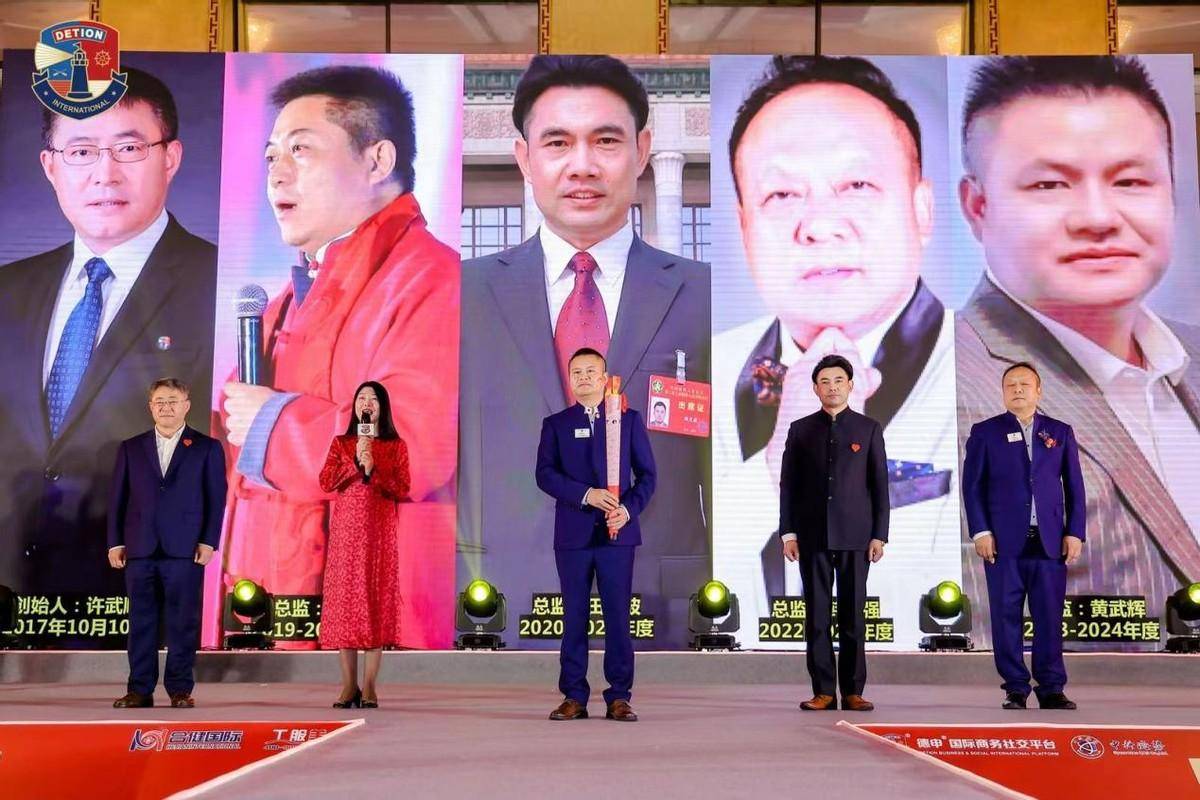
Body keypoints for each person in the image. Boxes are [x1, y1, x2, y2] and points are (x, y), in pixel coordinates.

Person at [459, 55, 710, 649]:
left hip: (658, 605)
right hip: (497, 604)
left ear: (642, 150)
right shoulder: (458, 295)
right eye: (557, 143)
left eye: (605, 141)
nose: (582, 165)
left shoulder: (703, 294)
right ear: (524, 158)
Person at [712, 56, 957, 645]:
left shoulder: (986, 365)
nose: (819, 225)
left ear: (922, 209)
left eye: (856, 185)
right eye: (781, 194)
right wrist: (771, 474)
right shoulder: (699, 368)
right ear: (744, 227)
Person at [955, 56, 1200, 646]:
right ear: (977, 207)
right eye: (1049, 185)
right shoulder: (949, 393)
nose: (1098, 217)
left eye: (1131, 181)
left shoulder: (1189, 351)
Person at [212, 65, 459, 649]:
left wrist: (273, 423)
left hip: (372, 629)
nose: (278, 172)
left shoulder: (435, 278)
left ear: (377, 161)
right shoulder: (283, 302)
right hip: (268, 619)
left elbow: (410, 454)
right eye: (271, 156)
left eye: (301, 150)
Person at [0, 67, 217, 600]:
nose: (105, 174)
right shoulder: (8, 288)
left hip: (148, 588)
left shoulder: (220, 282)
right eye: (81, 152)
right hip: (12, 589)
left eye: (129, 149)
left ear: (171, 157)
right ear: (51, 166)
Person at [535, 348, 656, 722]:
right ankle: (574, 695)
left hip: (617, 536)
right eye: (577, 372)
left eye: (591, 371)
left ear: (605, 378)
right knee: (574, 616)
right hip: (573, 537)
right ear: (569, 379)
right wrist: (586, 495)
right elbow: (545, 475)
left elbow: (647, 477)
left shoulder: (627, 420)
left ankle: (619, 696)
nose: (584, 377)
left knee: (617, 616)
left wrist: (627, 509)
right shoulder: (556, 424)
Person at [961, 362, 1086, 710]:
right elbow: (972, 487)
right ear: (1003, 392)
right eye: (1010, 385)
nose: (1017, 390)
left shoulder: (1060, 432)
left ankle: (1051, 687)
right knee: (1006, 617)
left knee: (1049, 617)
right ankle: (1015, 687)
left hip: (1050, 542)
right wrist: (981, 531)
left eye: (1024, 384)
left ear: (1038, 391)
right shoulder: (985, 432)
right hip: (1003, 543)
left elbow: (1075, 487)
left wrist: (1075, 532)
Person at [778, 355, 888, 712]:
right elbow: (788, 485)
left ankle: (853, 691)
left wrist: (879, 534)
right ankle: (823, 691)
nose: (832, 387)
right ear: (815, 388)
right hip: (812, 536)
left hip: (857, 536)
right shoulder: (800, 429)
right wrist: (788, 533)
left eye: (838, 380)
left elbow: (880, 485)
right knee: (818, 616)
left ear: (850, 385)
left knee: (853, 615)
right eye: (824, 382)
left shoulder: (868, 428)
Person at [108, 378, 226, 708]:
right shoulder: (131, 448)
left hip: (185, 549)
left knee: (182, 621)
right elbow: (117, 499)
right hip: (140, 547)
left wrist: (208, 541)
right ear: (150, 407)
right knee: (141, 621)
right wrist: (115, 542)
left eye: (173, 401)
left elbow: (216, 499)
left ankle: (179, 689)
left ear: (186, 405)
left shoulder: (206, 447)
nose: (166, 407)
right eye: (159, 401)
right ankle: (139, 689)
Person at [318, 381, 410, 709]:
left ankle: (369, 686)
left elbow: (402, 487)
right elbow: (325, 481)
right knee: (346, 605)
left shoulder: (395, 445)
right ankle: (348, 686)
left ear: (382, 407)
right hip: (346, 535)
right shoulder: (341, 443)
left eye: (373, 398)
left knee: (374, 602)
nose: (366, 403)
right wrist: (354, 461)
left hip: (378, 534)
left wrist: (374, 468)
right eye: (361, 398)